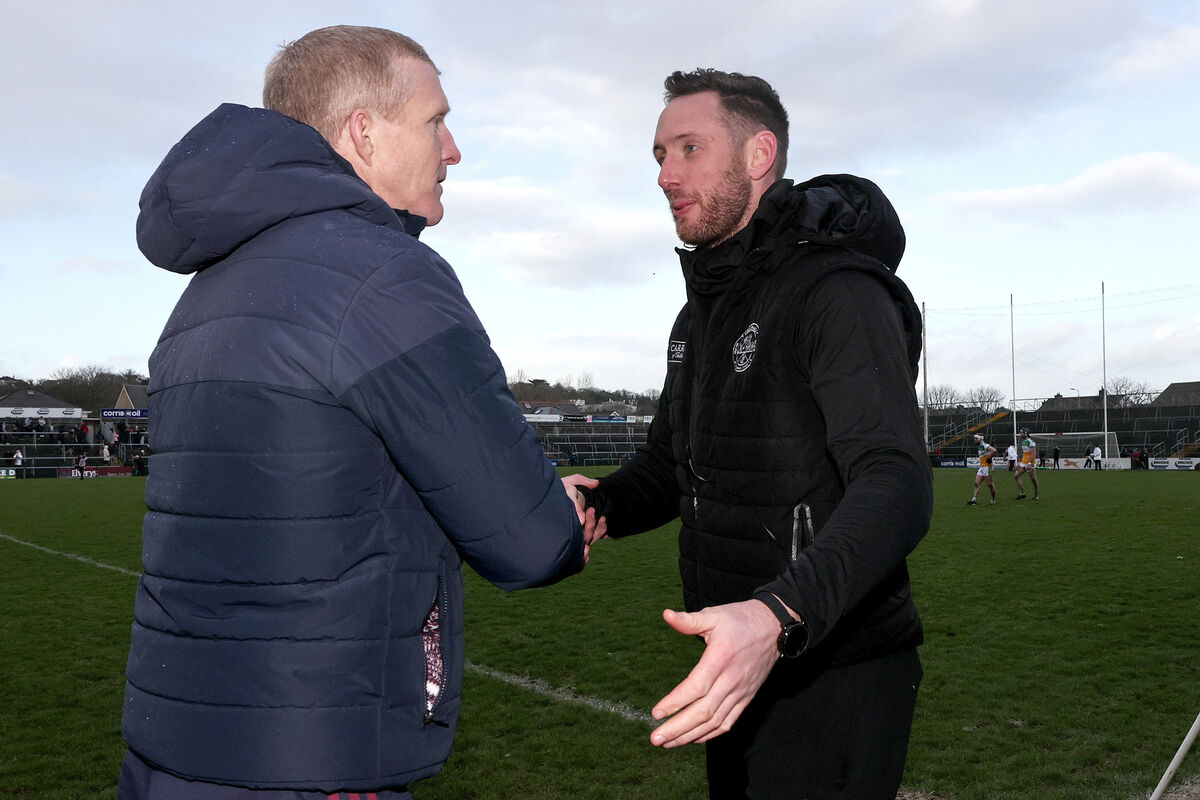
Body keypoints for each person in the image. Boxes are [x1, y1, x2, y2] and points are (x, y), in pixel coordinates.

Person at [119, 25, 596, 799]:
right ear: (363, 133)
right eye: (436, 121)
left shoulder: (206, 293)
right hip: (312, 755)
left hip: (174, 748)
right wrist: (564, 513)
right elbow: (528, 540)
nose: (454, 150)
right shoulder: (385, 278)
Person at [569, 69, 930, 800]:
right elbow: (672, 466)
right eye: (659, 155)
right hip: (733, 654)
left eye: (690, 148)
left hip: (831, 665)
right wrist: (596, 501)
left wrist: (778, 615)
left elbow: (895, 480)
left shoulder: (838, 291)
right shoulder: (700, 311)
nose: (667, 174)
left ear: (759, 154)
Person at [966, 433, 997, 506]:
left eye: (976, 438)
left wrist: (989, 459)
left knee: (990, 485)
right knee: (976, 483)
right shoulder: (980, 446)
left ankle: (993, 500)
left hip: (987, 467)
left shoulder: (984, 445)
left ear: (980, 439)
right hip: (982, 467)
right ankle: (974, 499)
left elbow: (994, 450)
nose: (975, 440)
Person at [1014, 427, 1039, 500]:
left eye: (1022, 433)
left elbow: (1033, 454)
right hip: (1024, 462)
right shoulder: (1023, 442)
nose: (1020, 434)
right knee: (1016, 476)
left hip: (1030, 463)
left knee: (1033, 480)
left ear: (1026, 434)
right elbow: (1025, 454)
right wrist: (1020, 463)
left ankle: (1036, 495)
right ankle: (1022, 493)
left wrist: (1030, 464)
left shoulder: (1031, 442)